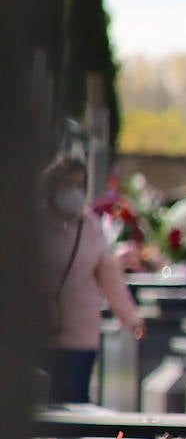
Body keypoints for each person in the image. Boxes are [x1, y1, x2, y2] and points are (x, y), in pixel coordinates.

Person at [41, 155, 145, 404]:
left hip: (80, 335)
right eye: (68, 185)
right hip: (39, 329)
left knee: (74, 401)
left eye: (80, 185)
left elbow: (110, 277)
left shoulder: (91, 227)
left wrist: (130, 318)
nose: (75, 192)